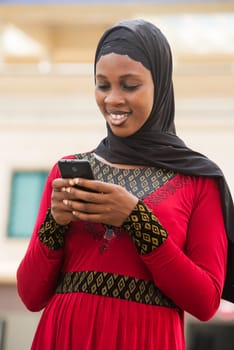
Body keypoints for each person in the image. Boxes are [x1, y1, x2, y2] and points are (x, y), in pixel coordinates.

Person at [17, 18, 234, 350]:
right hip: (64, 337)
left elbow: (205, 302)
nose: (113, 99)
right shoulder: (68, 172)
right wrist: (55, 223)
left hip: (147, 339)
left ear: (159, 85)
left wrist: (137, 219)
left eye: (129, 85)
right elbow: (31, 296)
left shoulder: (198, 179)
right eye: (103, 85)